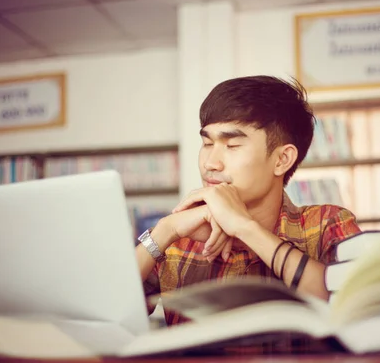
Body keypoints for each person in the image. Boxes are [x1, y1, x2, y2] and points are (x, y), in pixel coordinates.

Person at [136, 75, 362, 336]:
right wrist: (165, 230)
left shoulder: (326, 224)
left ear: (282, 160)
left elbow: (354, 306)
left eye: (232, 145)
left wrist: (244, 227)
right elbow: (102, 311)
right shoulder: (179, 239)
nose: (211, 163)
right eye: (207, 143)